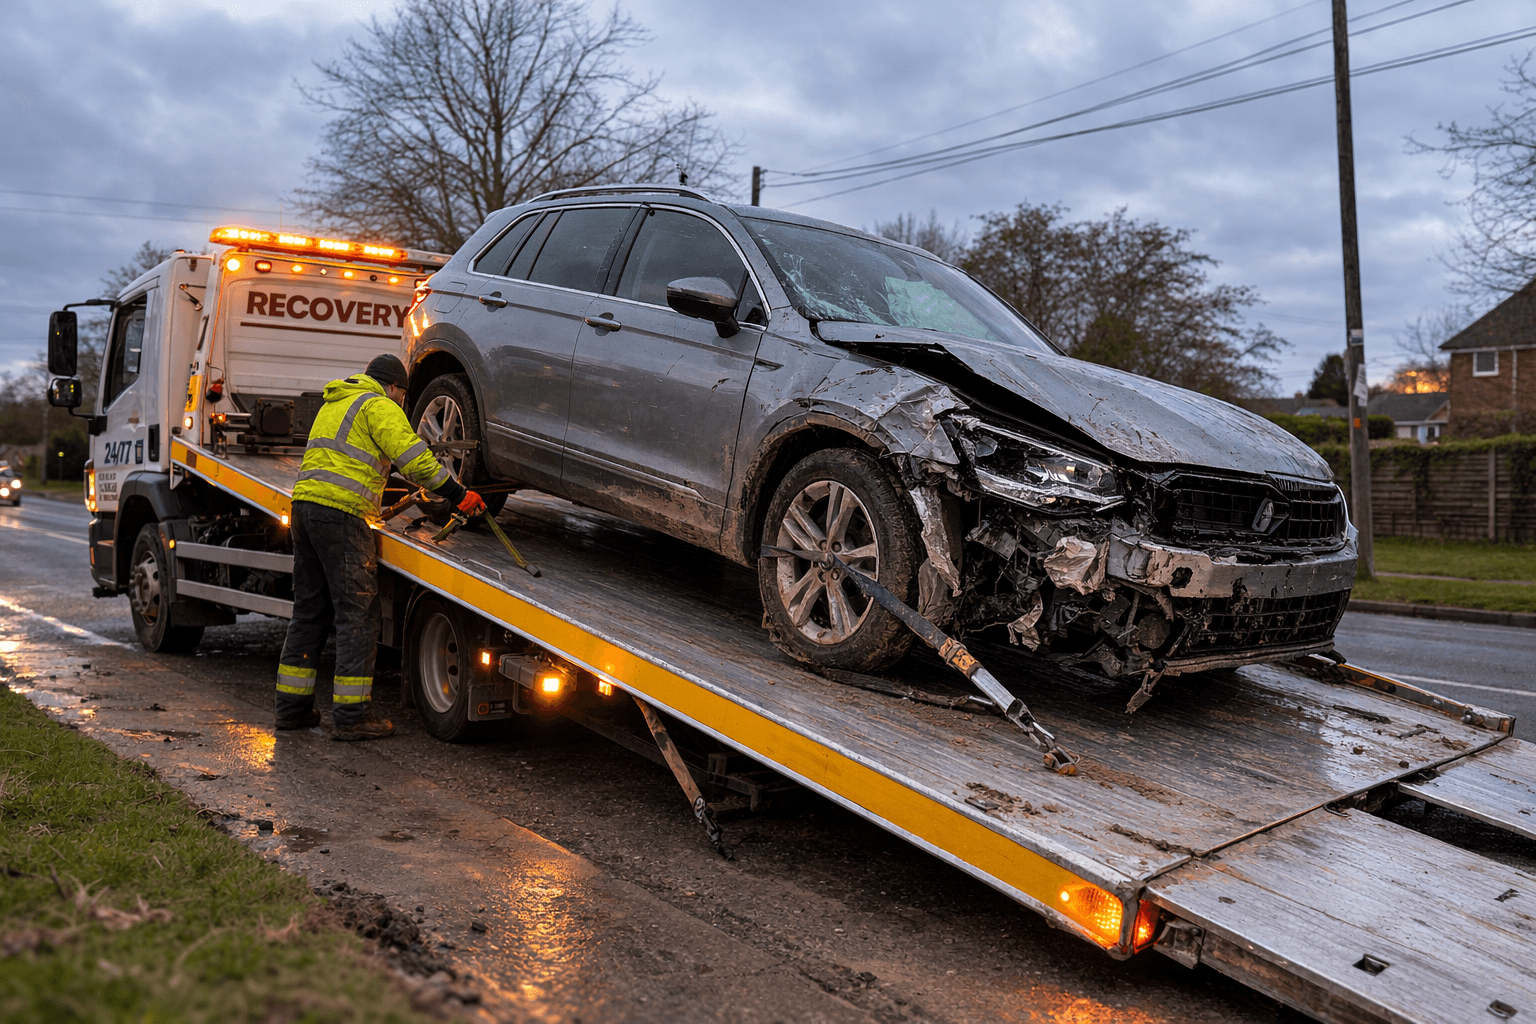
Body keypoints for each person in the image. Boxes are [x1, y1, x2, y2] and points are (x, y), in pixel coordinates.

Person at [275, 354, 485, 740]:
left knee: (309, 612)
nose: (402, 403)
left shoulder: (335, 403)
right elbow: (414, 461)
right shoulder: (379, 406)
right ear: (394, 388)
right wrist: (458, 493)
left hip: (305, 509)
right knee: (358, 615)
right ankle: (352, 718)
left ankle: (291, 709)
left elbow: (348, 461)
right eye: (402, 396)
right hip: (342, 516)